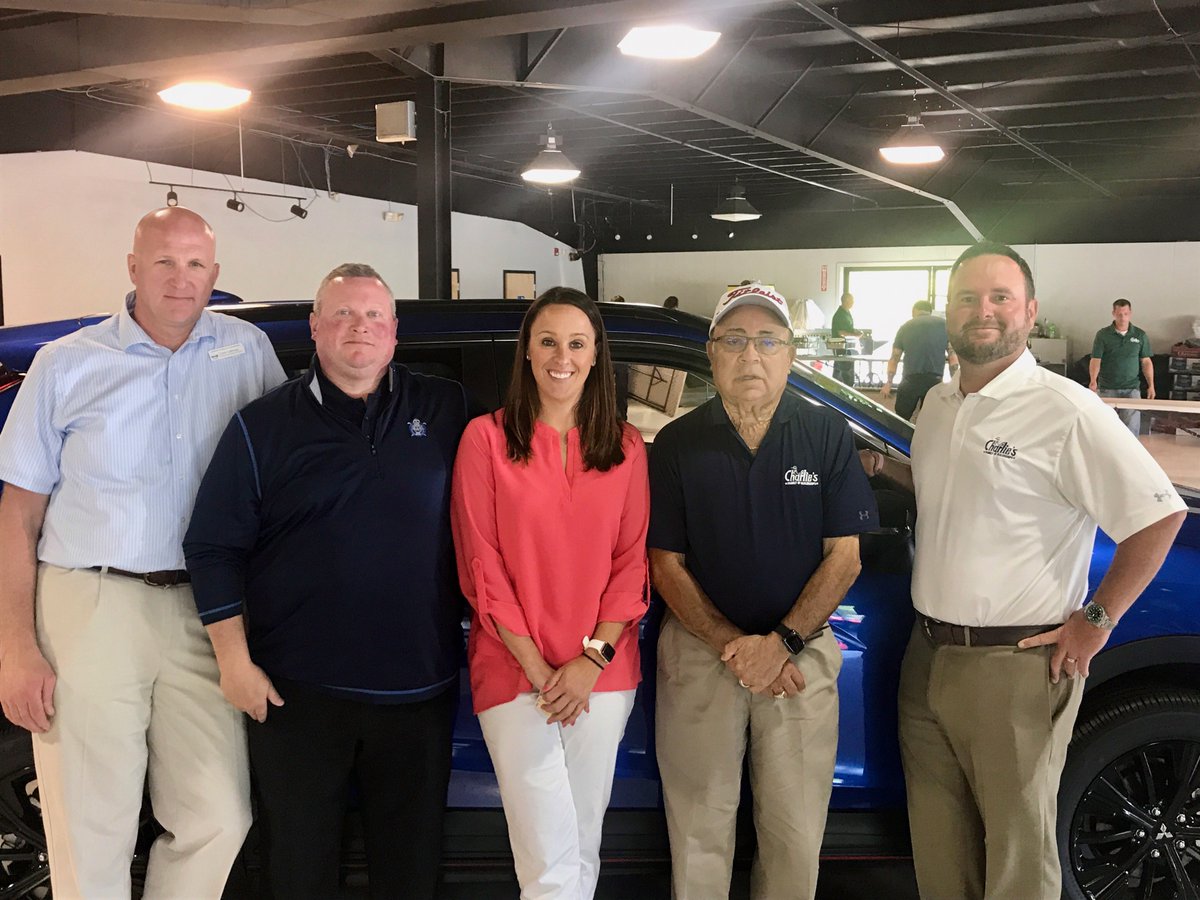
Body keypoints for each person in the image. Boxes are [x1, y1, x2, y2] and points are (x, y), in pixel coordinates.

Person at [861, 242, 1186, 900]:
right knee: (940, 843)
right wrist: (878, 467)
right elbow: (944, 490)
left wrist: (1097, 620)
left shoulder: (1065, 410)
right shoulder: (937, 406)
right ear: (947, 313)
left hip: (1014, 664)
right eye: (967, 298)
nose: (982, 310)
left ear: (1029, 312)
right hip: (928, 656)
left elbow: (1158, 517)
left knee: (1016, 855)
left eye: (999, 297)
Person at [0, 207, 285, 897]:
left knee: (219, 814)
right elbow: (18, 514)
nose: (179, 279)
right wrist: (14, 647)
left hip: (207, 610)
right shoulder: (67, 363)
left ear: (214, 276)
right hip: (91, 602)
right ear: (133, 269)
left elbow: (284, 473)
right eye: (164, 261)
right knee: (92, 824)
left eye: (194, 264)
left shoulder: (245, 351)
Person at [184, 263, 467, 900]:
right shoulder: (260, 427)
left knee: (410, 873)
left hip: (420, 693)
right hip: (297, 698)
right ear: (315, 327)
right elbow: (210, 546)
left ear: (395, 332)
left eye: (372, 316)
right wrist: (233, 662)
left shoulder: (445, 408)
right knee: (300, 871)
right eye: (342, 314)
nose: (358, 328)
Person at [649, 282, 879, 900]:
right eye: (735, 340)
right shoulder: (677, 444)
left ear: (790, 353)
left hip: (798, 659)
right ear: (712, 352)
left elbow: (846, 558)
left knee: (795, 836)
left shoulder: (826, 434)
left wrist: (779, 642)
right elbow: (664, 565)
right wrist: (735, 645)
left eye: (767, 340)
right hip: (702, 656)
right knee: (698, 833)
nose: (751, 356)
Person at [451, 287, 649, 899]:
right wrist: (539, 668)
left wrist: (590, 661)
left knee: (580, 841)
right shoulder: (485, 440)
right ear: (528, 354)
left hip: (602, 675)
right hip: (515, 674)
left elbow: (630, 562)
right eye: (548, 341)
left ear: (595, 358)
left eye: (576, 343)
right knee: (546, 852)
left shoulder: (625, 447)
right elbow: (481, 563)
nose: (562, 356)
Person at [881, 300, 958, 420]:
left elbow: (894, 358)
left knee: (900, 422)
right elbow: (953, 358)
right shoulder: (945, 326)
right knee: (930, 422)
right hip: (934, 382)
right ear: (930, 312)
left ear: (914, 311)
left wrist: (888, 383)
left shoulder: (906, 327)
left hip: (910, 381)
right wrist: (955, 382)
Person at [1089, 298, 1155, 435]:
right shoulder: (1103, 335)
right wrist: (1093, 381)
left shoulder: (1140, 335)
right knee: (1106, 428)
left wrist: (1151, 385)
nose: (1123, 318)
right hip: (1107, 388)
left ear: (1130, 313)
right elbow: (1096, 359)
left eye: (1125, 314)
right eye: (1119, 314)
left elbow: (1146, 362)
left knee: (1131, 428)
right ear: (1113, 313)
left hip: (1131, 389)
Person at [830, 291, 861, 386]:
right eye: (851, 301)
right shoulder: (840, 315)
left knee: (839, 372)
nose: (853, 303)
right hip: (841, 347)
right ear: (845, 301)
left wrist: (856, 332)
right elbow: (841, 332)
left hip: (848, 347)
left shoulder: (847, 313)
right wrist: (855, 335)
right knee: (845, 374)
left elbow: (848, 328)